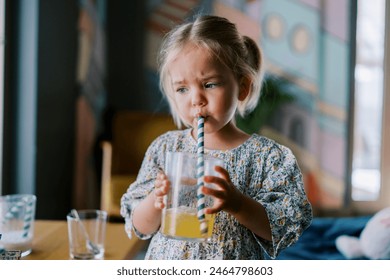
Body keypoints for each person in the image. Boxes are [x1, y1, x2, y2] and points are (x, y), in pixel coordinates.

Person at [120, 15, 312, 260]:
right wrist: (154, 201)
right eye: (182, 89)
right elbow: (140, 227)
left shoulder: (269, 158)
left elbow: (284, 229)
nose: (196, 99)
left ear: (242, 87)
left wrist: (237, 204)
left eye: (209, 84)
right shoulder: (165, 148)